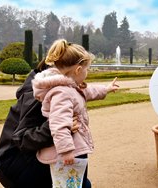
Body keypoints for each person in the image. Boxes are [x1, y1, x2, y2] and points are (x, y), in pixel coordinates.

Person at [31, 39, 119, 188]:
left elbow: (88, 91)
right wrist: (66, 151)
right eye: (87, 69)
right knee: (73, 184)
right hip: (69, 151)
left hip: (72, 148)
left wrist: (106, 88)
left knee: (77, 183)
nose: (87, 73)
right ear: (78, 70)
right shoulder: (62, 92)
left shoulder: (69, 87)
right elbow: (58, 123)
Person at [0, 59, 80, 188]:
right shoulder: (37, 98)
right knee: (80, 183)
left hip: (21, 162)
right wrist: (56, 126)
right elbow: (21, 139)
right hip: (15, 166)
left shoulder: (51, 91)